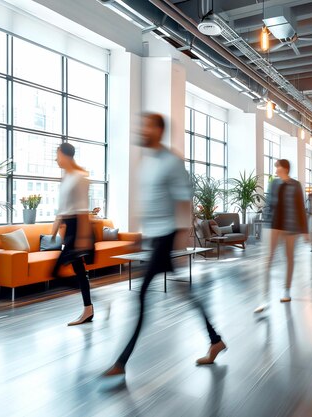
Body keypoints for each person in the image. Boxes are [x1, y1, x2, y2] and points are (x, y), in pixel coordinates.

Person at [104, 114, 225, 377]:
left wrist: (179, 247)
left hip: (166, 238)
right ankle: (215, 340)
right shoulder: (147, 162)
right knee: (184, 293)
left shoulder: (171, 161)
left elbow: (184, 203)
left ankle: (121, 362)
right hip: (153, 237)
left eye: (146, 126)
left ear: (158, 130)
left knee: (142, 296)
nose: (141, 129)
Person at [255, 159, 307, 313]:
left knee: (289, 259)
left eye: (277, 167)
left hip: (291, 227)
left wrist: (305, 231)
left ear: (284, 168)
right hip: (274, 225)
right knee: (267, 260)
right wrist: (266, 222)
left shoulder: (296, 185)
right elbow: (270, 204)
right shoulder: (274, 184)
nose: (276, 170)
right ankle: (264, 299)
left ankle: (287, 291)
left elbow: (300, 207)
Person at [51, 142, 94, 326]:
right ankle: (89, 308)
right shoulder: (67, 177)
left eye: (57, 154)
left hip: (78, 228)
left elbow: (83, 210)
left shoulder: (79, 177)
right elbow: (63, 208)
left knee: (55, 272)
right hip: (69, 228)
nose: (56, 158)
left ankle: (91, 303)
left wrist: (82, 238)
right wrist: (54, 229)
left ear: (65, 155)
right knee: (77, 271)